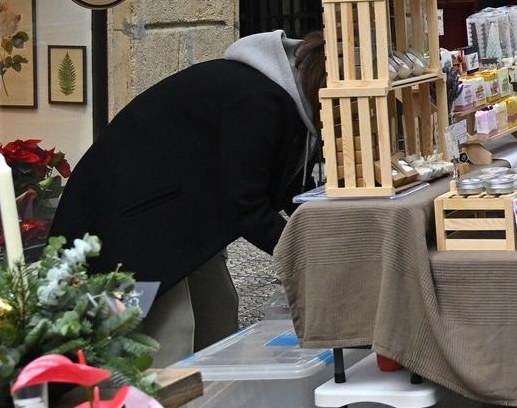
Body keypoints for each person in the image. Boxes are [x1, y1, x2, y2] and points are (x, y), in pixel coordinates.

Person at [51, 30, 324, 364]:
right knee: (172, 332)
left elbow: (289, 191)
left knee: (218, 313)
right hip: (133, 219)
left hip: (180, 216)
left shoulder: (283, 101)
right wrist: (310, 255)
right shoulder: (259, 102)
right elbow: (248, 206)